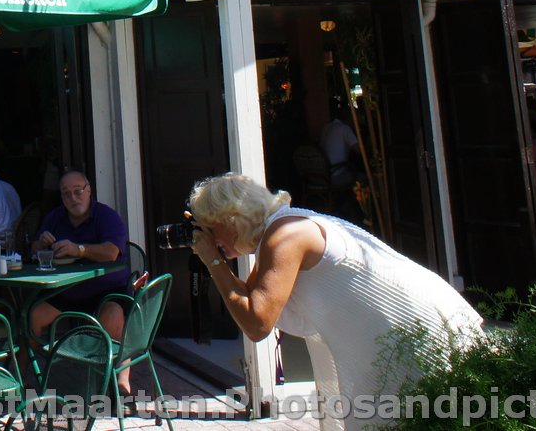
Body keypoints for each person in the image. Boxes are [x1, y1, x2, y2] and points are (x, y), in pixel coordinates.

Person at [190, 173, 482, 431]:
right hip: (399, 332)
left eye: (210, 229)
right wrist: (216, 259)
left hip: (414, 328)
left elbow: (257, 322)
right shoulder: (282, 228)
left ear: (230, 219)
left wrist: (213, 260)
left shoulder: (285, 236)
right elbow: (251, 301)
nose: (209, 239)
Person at [28, 171, 129, 359]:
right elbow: (34, 249)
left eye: (77, 191)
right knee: (32, 315)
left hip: (106, 289)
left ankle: (113, 376)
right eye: (66, 193)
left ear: (89, 190)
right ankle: (20, 377)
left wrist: (80, 250)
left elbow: (111, 252)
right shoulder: (55, 217)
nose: (73, 198)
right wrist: (40, 245)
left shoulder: (106, 216)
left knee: (113, 314)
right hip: (66, 290)